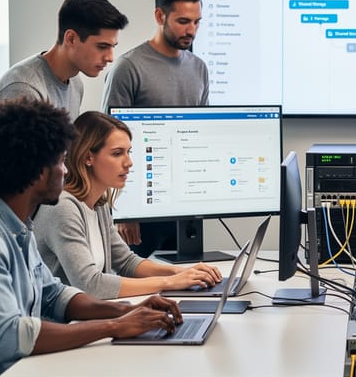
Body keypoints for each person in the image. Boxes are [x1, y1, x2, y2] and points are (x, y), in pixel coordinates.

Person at [0, 98, 185, 377]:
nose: (66, 170)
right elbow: (10, 336)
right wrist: (113, 328)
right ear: (36, 170)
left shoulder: (15, 224)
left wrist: (121, 312)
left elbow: (53, 295)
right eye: (62, 161)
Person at [0, 0, 129, 203]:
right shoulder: (24, 89)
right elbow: (13, 178)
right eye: (102, 47)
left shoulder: (75, 84)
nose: (110, 57)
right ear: (71, 38)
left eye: (112, 47)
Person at [34, 111, 222, 299]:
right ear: (87, 157)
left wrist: (182, 273)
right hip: (67, 325)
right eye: (117, 153)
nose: (129, 162)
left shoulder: (98, 205)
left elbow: (126, 262)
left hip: (91, 317)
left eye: (128, 152)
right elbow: (90, 284)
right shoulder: (63, 208)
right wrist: (170, 282)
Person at [101, 0, 210, 257]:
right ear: (160, 15)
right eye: (183, 21)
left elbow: (201, 136)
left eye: (197, 22)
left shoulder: (199, 69)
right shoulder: (128, 68)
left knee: (185, 283)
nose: (192, 30)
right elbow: (107, 143)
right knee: (141, 291)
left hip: (185, 206)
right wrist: (123, 210)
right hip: (142, 207)